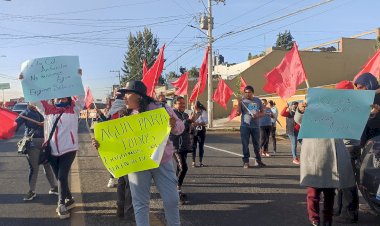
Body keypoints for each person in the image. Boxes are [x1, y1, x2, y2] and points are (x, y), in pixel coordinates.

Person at [93, 81, 184, 226]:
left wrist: (174, 124)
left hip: (162, 161)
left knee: (171, 199)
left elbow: (180, 128)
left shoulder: (161, 108)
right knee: (140, 203)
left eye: (127, 94)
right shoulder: (125, 115)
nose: (124, 98)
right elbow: (117, 141)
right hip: (137, 163)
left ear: (139, 96)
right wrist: (101, 144)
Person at [295, 103, 355, 226]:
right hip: (314, 160)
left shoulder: (337, 117)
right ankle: (314, 218)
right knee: (313, 193)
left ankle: (328, 219)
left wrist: (370, 113)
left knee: (329, 194)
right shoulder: (310, 117)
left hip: (331, 160)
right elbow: (299, 119)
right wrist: (300, 110)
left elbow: (352, 123)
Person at [96, 91, 134, 220]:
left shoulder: (113, 113)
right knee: (129, 183)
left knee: (122, 181)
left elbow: (105, 127)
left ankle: (120, 208)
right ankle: (128, 211)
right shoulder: (129, 112)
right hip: (129, 150)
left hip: (117, 151)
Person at [15, 103, 58, 201]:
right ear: (29, 102)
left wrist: (46, 123)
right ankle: (31, 191)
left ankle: (54, 187)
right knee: (34, 168)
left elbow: (55, 123)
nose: (34, 103)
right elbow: (15, 125)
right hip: (32, 144)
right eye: (32, 101)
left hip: (46, 142)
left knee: (47, 166)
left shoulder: (44, 111)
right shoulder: (25, 113)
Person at [333, 80, 360, 224]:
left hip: (349, 147)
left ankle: (350, 212)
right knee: (340, 180)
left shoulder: (353, 107)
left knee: (348, 181)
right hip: (342, 146)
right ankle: (340, 208)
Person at [235, 85, 266, 168]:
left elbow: (263, 112)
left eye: (249, 92)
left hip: (255, 126)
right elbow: (238, 113)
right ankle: (246, 162)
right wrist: (238, 103)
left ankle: (258, 160)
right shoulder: (242, 101)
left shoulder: (257, 101)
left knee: (257, 144)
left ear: (253, 93)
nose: (247, 94)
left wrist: (257, 115)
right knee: (245, 144)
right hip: (245, 126)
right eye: (246, 92)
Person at [170, 96, 192, 204]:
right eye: (179, 103)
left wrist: (192, 122)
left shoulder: (186, 114)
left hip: (184, 145)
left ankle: (176, 188)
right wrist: (187, 122)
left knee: (180, 168)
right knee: (184, 167)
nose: (182, 105)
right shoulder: (171, 115)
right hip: (175, 146)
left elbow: (187, 130)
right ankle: (176, 190)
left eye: (183, 103)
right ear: (174, 105)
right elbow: (179, 128)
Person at [354, 72, 380, 146]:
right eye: (358, 88)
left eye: (361, 87)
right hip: (367, 140)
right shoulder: (363, 99)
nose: (359, 91)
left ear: (369, 84)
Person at [190, 101, 208, 167]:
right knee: (193, 146)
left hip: (201, 131)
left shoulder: (203, 112)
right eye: (191, 105)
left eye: (193, 105)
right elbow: (188, 121)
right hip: (193, 131)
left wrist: (198, 123)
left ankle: (200, 161)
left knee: (201, 146)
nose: (192, 106)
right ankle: (193, 162)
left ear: (196, 106)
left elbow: (206, 121)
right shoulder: (192, 112)